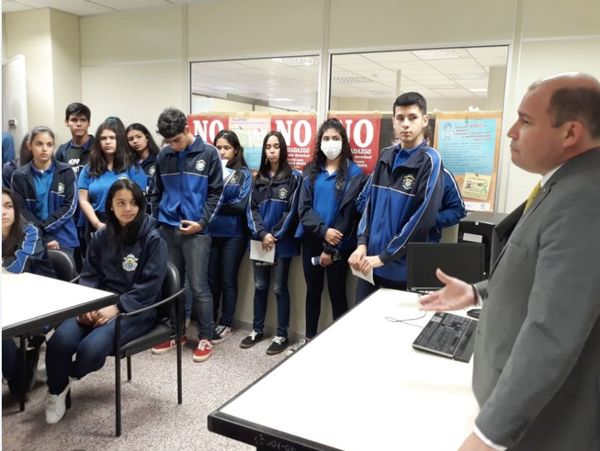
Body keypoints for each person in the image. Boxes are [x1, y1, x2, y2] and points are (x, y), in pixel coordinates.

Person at [419, 73, 600, 451]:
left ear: (570, 133)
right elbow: (541, 271)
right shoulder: (564, 183)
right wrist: (477, 292)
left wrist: (489, 436)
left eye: (526, 121)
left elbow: (552, 332)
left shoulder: (586, 198)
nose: (511, 132)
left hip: (541, 429)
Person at [44, 179, 168, 424]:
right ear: (111, 205)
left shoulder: (154, 239)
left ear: (141, 205)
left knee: (90, 350)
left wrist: (117, 307)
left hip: (136, 309)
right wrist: (88, 305)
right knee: (59, 342)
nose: (127, 208)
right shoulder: (102, 235)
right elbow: (89, 274)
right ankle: (56, 391)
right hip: (97, 302)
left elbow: (150, 287)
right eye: (120, 203)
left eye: (133, 203)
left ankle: (67, 375)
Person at [349, 92, 444, 302]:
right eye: (400, 118)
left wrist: (384, 257)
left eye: (412, 117)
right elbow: (370, 205)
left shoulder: (430, 160)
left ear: (424, 120)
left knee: (394, 332)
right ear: (393, 122)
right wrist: (362, 243)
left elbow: (422, 220)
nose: (406, 124)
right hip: (369, 266)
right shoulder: (385, 155)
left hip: (401, 270)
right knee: (362, 327)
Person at [150, 108, 223, 362]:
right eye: (168, 142)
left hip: (197, 232)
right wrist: (159, 221)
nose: (174, 146)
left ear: (187, 129)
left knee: (199, 286)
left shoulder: (208, 153)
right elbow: (155, 192)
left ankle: (205, 336)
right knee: (173, 285)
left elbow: (216, 193)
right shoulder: (164, 155)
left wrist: (202, 223)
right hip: (168, 230)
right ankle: (176, 331)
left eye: (177, 140)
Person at [292, 118, 366, 353]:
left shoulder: (355, 174)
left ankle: (340, 345)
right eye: (326, 138)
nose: (331, 143)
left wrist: (330, 248)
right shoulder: (310, 170)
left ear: (343, 142)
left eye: (335, 138)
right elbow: (303, 209)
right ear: (319, 142)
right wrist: (323, 231)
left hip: (340, 244)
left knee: (337, 293)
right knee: (312, 292)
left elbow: (348, 214)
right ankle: (309, 339)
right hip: (312, 239)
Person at [241, 131, 302, 355]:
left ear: (282, 149)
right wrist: (262, 233)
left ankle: (282, 334)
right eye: (268, 146)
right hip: (260, 242)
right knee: (259, 287)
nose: (272, 150)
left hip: (281, 243)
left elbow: (292, 210)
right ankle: (257, 330)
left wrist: (274, 234)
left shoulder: (295, 177)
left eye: (276, 146)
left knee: (279, 288)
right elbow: (251, 209)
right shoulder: (258, 178)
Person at [2, 187, 55, 398]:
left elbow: (17, 267)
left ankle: (22, 365)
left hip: (40, 302)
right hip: (11, 299)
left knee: (18, 390)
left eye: (8, 206)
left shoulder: (30, 231)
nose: (3, 212)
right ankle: (18, 364)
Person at [207, 130, 252, 342]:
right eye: (219, 147)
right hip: (211, 231)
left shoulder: (243, 173)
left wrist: (214, 204)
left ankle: (226, 322)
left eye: (227, 147)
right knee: (211, 279)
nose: (222, 152)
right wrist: (216, 205)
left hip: (234, 234)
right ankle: (210, 319)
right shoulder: (211, 172)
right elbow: (202, 200)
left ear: (236, 150)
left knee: (228, 279)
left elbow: (241, 205)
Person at [10, 127, 79, 254]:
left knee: (66, 272)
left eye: (49, 144)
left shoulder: (66, 171)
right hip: (33, 238)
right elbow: (21, 209)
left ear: (54, 147)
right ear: (29, 145)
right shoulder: (19, 175)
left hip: (64, 238)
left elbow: (70, 206)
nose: (44, 149)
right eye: (39, 144)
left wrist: (44, 228)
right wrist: (42, 234)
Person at [78, 118, 146, 241]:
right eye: (103, 138)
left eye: (112, 138)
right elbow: (83, 200)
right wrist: (97, 224)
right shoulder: (89, 169)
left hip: (126, 223)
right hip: (97, 223)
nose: (107, 142)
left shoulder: (133, 168)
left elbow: (139, 199)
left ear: (119, 140)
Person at [55, 103, 94, 177]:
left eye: (83, 120)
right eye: (74, 120)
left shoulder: (98, 148)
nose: (79, 124)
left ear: (89, 123)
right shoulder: (62, 151)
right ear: (66, 122)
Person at [125, 123, 160, 191]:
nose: (135, 141)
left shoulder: (158, 159)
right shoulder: (127, 164)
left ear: (147, 138)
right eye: (131, 139)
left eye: (139, 137)